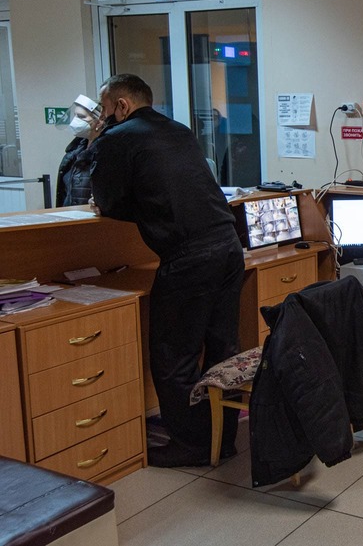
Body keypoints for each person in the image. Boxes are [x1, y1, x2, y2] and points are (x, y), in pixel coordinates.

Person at [89, 73, 246, 468]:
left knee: (174, 357)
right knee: (222, 350)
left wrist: (96, 142)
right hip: (228, 245)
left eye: (104, 108)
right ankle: (221, 439)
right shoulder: (179, 130)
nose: (102, 116)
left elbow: (108, 201)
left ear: (121, 106)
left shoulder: (116, 138)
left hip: (190, 256)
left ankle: (192, 445)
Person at [55, 95, 105, 207]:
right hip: (71, 214)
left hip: (91, 215)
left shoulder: (104, 152)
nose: (75, 121)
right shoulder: (74, 152)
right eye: (75, 115)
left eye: (81, 117)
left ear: (99, 121)